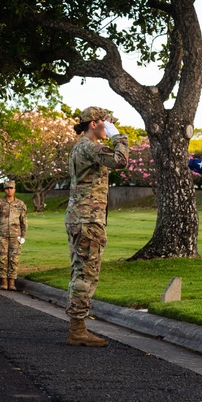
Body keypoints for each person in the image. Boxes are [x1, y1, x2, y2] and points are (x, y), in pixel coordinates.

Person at [65, 106, 128, 347]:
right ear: (94, 123)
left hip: (80, 217)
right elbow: (120, 161)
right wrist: (118, 137)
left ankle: (77, 325)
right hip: (87, 219)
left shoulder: (79, 147)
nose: (109, 127)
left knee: (80, 271)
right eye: (106, 123)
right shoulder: (90, 147)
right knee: (86, 274)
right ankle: (77, 328)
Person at [0, 180, 27, 291]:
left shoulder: (20, 204)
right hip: (1, 235)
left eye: (11, 188)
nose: (9, 190)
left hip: (16, 235)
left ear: (14, 189)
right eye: (7, 188)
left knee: (14, 259)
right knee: (2, 258)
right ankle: (4, 281)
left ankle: (12, 282)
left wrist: (23, 235)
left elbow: (23, 221)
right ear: (4, 190)